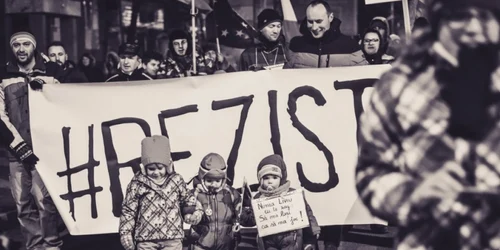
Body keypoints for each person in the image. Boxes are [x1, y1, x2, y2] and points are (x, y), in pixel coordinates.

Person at [355, 0, 500, 249]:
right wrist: (413, 194)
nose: (474, 27)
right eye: (462, 16)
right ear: (439, 19)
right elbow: (371, 174)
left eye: (487, 16)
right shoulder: (398, 86)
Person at [1, 31, 63, 250]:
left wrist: (48, 91)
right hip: (16, 153)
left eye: (26, 44)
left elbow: (66, 107)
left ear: (33, 47)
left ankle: (52, 246)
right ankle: (34, 247)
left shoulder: (52, 72)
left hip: (45, 153)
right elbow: (0, 115)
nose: (21, 49)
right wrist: (20, 147)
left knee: (46, 204)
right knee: (23, 206)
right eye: (16, 44)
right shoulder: (3, 75)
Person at [119, 135, 203, 250]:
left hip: (172, 238)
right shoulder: (137, 183)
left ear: (168, 166)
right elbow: (128, 210)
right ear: (144, 168)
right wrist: (126, 232)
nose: (156, 172)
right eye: (151, 168)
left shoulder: (176, 180)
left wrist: (192, 213)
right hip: (146, 240)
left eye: (160, 168)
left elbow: (188, 200)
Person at [240, 154, 320, 250]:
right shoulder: (258, 198)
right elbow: (251, 221)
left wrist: (313, 232)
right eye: (266, 178)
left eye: (274, 178)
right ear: (260, 180)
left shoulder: (291, 194)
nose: (270, 181)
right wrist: (245, 211)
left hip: (291, 239)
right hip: (268, 242)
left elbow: (307, 213)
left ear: (281, 179)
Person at [188, 153, 241, 250]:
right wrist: (190, 213)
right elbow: (186, 213)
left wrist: (247, 212)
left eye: (217, 181)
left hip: (226, 244)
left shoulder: (232, 194)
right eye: (209, 180)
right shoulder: (194, 195)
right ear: (202, 178)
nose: (213, 184)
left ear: (223, 179)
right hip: (201, 244)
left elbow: (242, 217)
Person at [284, 0, 359, 68]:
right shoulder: (296, 44)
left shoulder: (350, 45)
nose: (314, 27)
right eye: (310, 21)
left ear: (331, 17)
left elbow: (364, 78)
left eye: (319, 21)